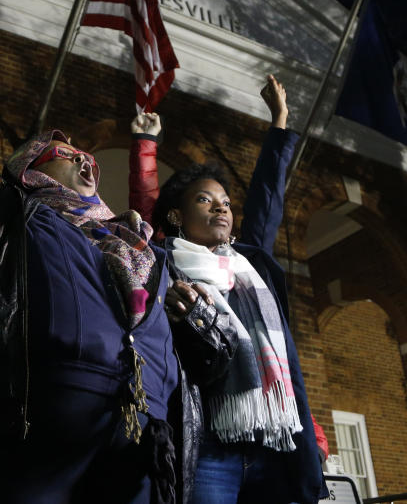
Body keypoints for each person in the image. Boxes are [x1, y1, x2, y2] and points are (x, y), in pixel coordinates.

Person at [0, 0, 236, 504]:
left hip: (144, 434)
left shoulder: (136, 239)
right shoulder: (8, 213)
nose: (86, 158)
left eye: (87, 154)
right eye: (65, 152)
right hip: (43, 421)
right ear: (30, 167)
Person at [129, 76, 327, 504]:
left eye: (225, 201)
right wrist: (145, 143)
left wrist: (280, 122)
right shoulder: (166, 263)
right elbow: (146, 208)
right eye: (205, 200)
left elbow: (267, 198)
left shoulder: (249, 263)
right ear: (178, 217)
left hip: (273, 443)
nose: (221, 206)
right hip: (208, 447)